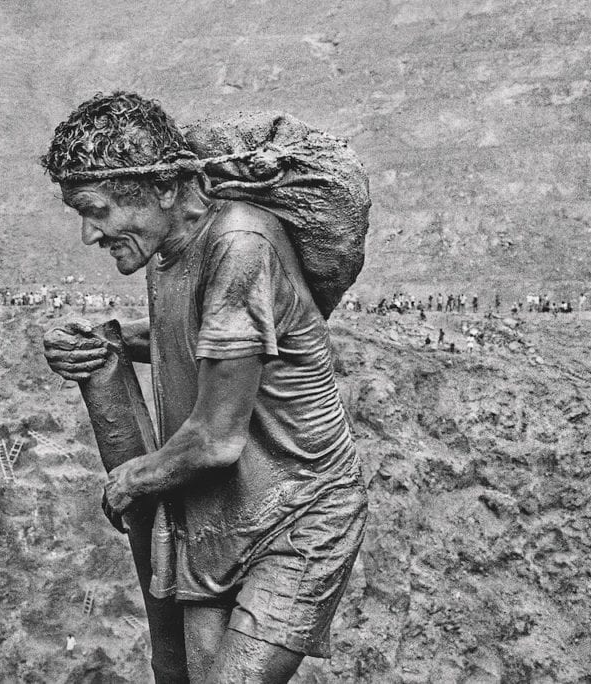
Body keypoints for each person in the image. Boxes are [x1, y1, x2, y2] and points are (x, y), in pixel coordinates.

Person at [40, 92, 366, 683]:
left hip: (298, 517)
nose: (89, 234)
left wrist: (130, 481)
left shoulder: (240, 244)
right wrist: (107, 341)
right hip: (218, 516)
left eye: (96, 210)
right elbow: (193, 333)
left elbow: (216, 438)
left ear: (163, 188)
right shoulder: (169, 250)